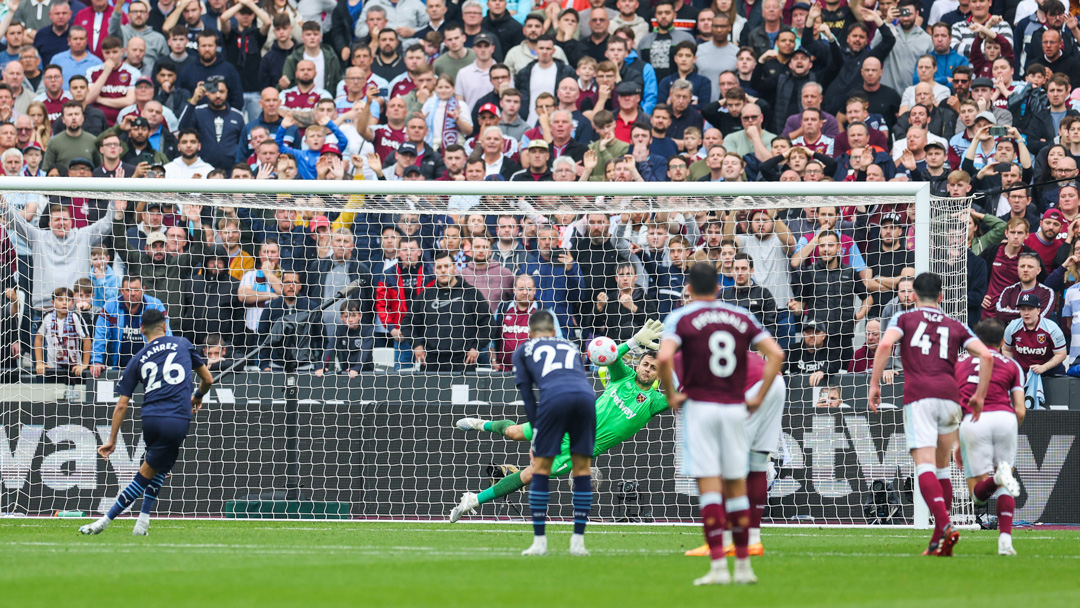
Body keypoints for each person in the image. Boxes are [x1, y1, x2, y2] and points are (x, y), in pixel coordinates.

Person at [451, 319, 666, 533]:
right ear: (638, 365)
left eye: (653, 368)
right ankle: (480, 424)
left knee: (531, 474)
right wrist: (633, 341)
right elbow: (608, 355)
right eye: (645, 364)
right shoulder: (623, 377)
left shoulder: (653, 402)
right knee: (513, 432)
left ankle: (473, 500)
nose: (647, 370)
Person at [656, 262, 783, 586]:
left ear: (688, 288)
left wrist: (672, 395)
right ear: (718, 287)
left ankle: (716, 568)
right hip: (734, 406)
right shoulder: (740, 316)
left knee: (709, 487)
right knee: (737, 484)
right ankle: (743, 568)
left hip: (702, 407)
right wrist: (757, 397)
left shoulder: (681, 318)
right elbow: (776, 354)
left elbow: (663, 357)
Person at [869, 272, 995, 557]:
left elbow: (886, 344)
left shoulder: (904, 319)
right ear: (941, 297)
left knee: (924, 467)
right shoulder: (955, 324)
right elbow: (986, 356)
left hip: (920, 398)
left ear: (912, 296)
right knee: (941, 469)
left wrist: (875, 384)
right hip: (950, 398)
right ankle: (939, 540)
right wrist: (979, 396)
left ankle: (944, 524)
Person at [79, 308, 213, 536]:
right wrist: (197, 396)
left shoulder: (137, 358)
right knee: (145, 474)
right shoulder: (182, 343)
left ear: (142, 330)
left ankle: (142, 523)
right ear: (165, 325)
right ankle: (104, 522)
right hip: (176, 418)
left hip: (150, 419)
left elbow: (121, 404)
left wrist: (112, 439)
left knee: (159, 466)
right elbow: (208, 379)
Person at [497, 310, 597, 556]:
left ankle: (540, 542)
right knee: (582, 469)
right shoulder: (570, 346)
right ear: (554, 333)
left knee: (540, 468)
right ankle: (578, 543)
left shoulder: (523, 350)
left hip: (554, 400)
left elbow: (528, 396)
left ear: (529, 334)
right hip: (586, 399)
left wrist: (536, 432)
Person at [954, 318, 1024, 557]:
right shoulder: (1013, 365)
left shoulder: (959, 363)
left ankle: (996, 478)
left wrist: (956, 441)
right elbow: (1021, 409)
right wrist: (1012, 427)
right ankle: (1005, 540)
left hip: (974, 421)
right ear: (1003, 341)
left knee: (977, 494)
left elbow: (953, 405)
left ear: (975, 340)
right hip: (1005, 418)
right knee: (1006, 481)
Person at [1003, 293, 1067, 378]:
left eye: (1030, 309)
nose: (1026, 313)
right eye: (1023, 309)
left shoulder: (1052, 328)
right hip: (1023, 373)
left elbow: (1061, 354)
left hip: (1050, 373)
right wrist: (1013, 367)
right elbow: (1006, 350)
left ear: (1038, 310)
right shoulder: (1012, 327)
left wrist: (1044, 367)